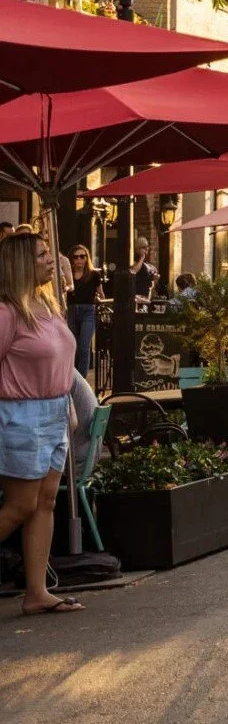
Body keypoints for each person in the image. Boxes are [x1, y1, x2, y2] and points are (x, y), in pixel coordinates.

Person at [0, 233, 83, 615]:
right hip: (21, 414)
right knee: (20, 504)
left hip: (54, 411)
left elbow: (62, 360)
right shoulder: (7, 312)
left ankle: (36, 593)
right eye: (42, 254)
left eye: (50, 252)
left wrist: (67, 403)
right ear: (20, 264)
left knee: (45, 502)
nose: (52, 259)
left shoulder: (46, 305)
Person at [64, 244, 102, 375]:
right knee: (71, 346)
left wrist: (99, 299)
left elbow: (101, 294)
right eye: (76, 257)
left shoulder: (94, 275)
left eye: (82, 256)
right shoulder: (67, 275)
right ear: (71, 259)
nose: (79, 259)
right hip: (71, 311)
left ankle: (82, 380)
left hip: (88, 312)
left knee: (84, 347)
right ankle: (71, 377)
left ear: (87, 258)